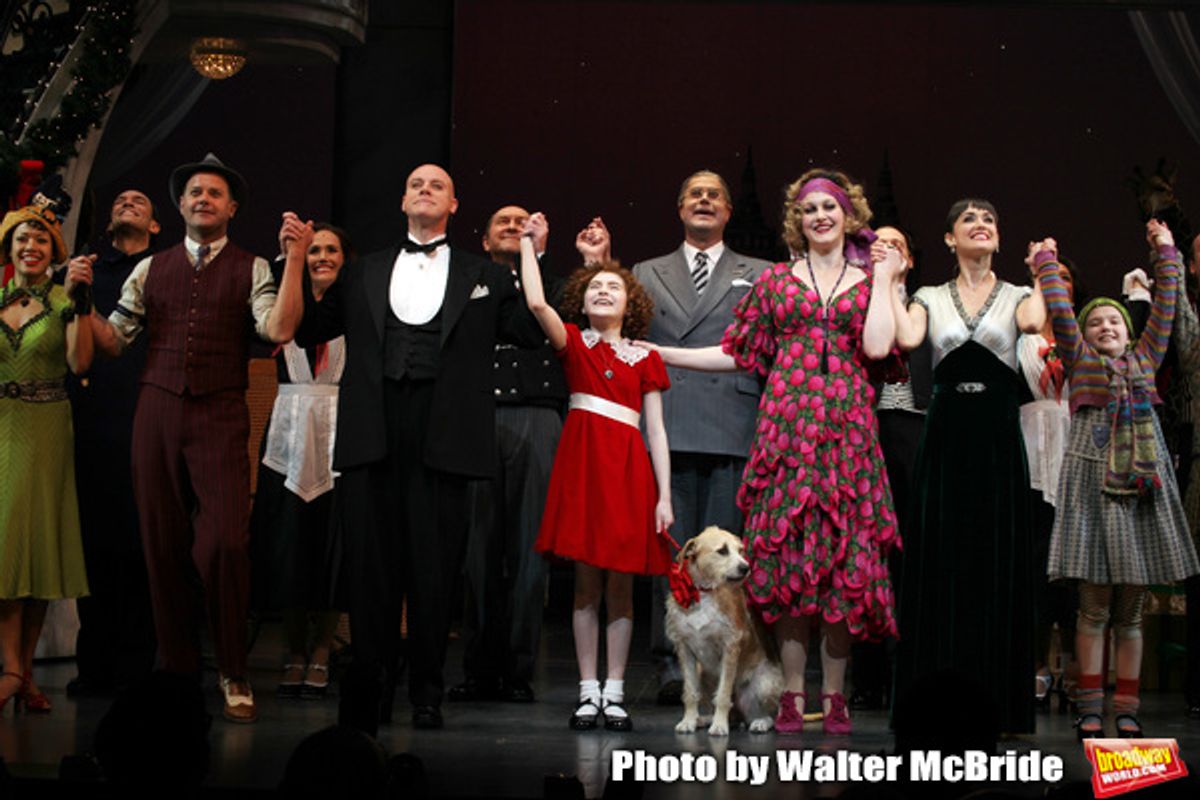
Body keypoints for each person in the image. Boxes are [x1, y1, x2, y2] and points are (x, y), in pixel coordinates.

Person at [288, 163, 543, 732]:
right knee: (370, 571)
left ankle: (427, 691)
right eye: (416, 184)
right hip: (373, 432)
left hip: (444, 437)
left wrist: (530, 256)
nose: (426, 191)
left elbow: (531, 331)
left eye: (438, 186)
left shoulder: (485, 274)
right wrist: (297, 261)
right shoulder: (363, 272)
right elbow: (305, 328)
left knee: (434, 570)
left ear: (454, 206)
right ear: (403, 201)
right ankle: (370, 687)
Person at [649, 168, 902, 734]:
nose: (819, 217)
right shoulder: (776, 284)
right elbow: (736, 352)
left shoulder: (868, 284)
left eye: (829, 207)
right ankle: (791, 694)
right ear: (798, 220)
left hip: (848, 439)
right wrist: (664, 353)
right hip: (787, 436)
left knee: (842, 570)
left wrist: (885, 278)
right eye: (809, 209)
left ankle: (834, 697)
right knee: (791, 570)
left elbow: (881, 345)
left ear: (848, 216)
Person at [84, 153, 308, 723]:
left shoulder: (254, 266)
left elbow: (278, 329)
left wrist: (296, 259)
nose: (203, 199)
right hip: (156, 409)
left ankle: (233, 666)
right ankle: (178, 668)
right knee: (160, 546)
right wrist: (80, 301)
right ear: (180, 206)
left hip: (219, 412)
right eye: (194, 193)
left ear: (231, 207)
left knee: (224, 544)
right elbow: (113, 342)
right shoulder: (149, 268)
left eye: (214, 193)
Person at [1035, 222, 1200, 737]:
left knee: (1131, 607)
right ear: (1083, 337)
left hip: (1141, 487)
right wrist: (1045, 262)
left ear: (1130, 332)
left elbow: (1168, 306)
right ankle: (1089, 703)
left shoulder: (1146, 360)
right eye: (1097, 323)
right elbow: (1061, 313)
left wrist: (1166, 251)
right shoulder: (1081, 361)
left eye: (1115, 321)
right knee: (1094, 602)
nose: (1107, 327)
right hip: (1092, 485)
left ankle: (1125, 706)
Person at [891, 198, 1047, 735]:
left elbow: (1033, 322)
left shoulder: (1021, 295)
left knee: (995, 556)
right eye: (968, 221)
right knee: (943, 557)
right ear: (949, 239)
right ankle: (937, 702)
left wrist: (1042, 270)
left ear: (999, 239)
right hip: (948, 431)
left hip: (998, 435)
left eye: (989, 221)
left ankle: (1000, 702)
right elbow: (909, 339)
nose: (980, 226)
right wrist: (888, 280)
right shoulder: (929, 296)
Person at [518, 212, 673, 732]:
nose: (604, 292)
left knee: (622, 589)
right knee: (585, 586)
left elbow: (656, 432)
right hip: (584, 469)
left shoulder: (645, 357)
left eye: (615, 287)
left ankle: (616, 691)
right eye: (595, 287)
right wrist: (529, 244)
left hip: (630, 474)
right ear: (581, 299)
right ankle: (587, 691)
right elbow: (537, 301)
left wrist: (665, 496)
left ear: (632, 304)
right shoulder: (573, 345)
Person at [631, 170, 769, 705]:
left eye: (715, 195)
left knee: (726, 556)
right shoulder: (647, 271)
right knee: (671, 552)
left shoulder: (761, 272)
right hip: (667, 422)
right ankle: (672, 664)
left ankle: (724, 671)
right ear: (680, 207)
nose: (705, 200)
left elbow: (758, 345)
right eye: (695, 194)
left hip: (732, 422)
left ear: (729, 212)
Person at [449, 205, 569, 704]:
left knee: (529, 552)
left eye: (523, 222)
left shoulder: (558, 287)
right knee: (477, 552)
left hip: (537, 415)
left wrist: (534, 258)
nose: (513, 225)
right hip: (477, 416)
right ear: (483, 237)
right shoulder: (465, 280)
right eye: (502, 220)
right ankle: (478, 668)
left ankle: (519, 670)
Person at [0, 180, 94, 713]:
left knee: (34, 548)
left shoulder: (63, 302)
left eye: (39, 240)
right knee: (6, 549)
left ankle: (22, 673)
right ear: (9, 251)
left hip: (46, 426)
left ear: (53, 252)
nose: (30, 247)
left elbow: (81, 365)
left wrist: (82, 302)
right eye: (21, 240)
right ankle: (15, 671)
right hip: (1, 426)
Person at [250, 223, 353, 699]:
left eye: (331, 250)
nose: (322, 257)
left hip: (339, 431)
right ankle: (293, 649)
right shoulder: (283, 300)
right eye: (314, 250)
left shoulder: (357, 309)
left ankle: (322, 651)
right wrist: (286, 254)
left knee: (334, 551)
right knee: (290, 546)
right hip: (289, 432)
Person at [66, 188, 160, 697]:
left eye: (140, 200)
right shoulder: (87, 272)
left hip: (146, 415)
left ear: (157, 224)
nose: (127, 202)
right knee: (95, 546)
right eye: (121, 199)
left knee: (142, 546)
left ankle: (137, 665)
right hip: (93, 419)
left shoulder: (166, 270)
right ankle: (94, 662)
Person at [851, 224, 932, 712]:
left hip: (918, 430)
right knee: (866, 556)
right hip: (867, 428)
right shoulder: (856, 299)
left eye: (898, 244)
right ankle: (866, 678)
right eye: (877, 243)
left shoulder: (926, 303)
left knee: (911, 556)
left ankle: (912, 676)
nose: (887, 250)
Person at [1017, 255, 1080, 711]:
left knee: (1077, 570)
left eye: (1064, 281)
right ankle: (1037, 665)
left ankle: (1074, 667)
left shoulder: (1086, 339)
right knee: (1037, 565)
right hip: (1033, 452)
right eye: (1047, 281)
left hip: (1079, 454)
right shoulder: (1023, 339)